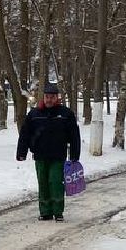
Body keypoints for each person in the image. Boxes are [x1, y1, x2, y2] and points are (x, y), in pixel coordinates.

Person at [17, 81, 81, 221]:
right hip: (40, 155)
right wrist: (21, 152)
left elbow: (74, 136)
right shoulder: (34, 114)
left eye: (52, 97)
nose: (49, 100)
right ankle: (45, 212)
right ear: (43, 97)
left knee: (56, 182)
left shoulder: (66, 114)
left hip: (58, 156)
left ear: (57, 98)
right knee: (43, 183)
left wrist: (74, 155)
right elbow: (25, 134)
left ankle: (58, 212)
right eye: (47, 97)